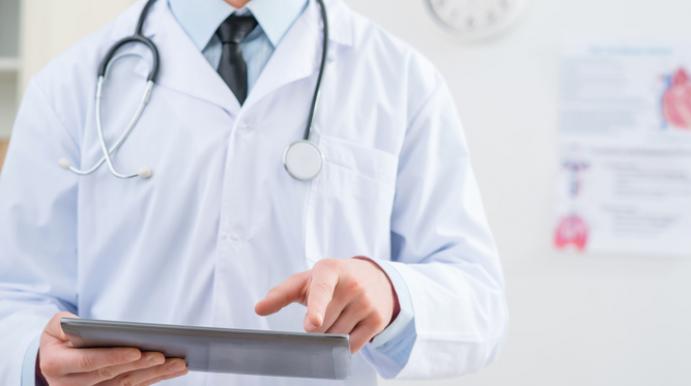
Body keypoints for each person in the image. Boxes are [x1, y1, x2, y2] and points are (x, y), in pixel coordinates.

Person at [0, 0, 508, 384]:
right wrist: (34, 357)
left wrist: (392, 293)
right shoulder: (69, 85)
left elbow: (479, 301)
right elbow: (14, 292)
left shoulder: (400, 80)